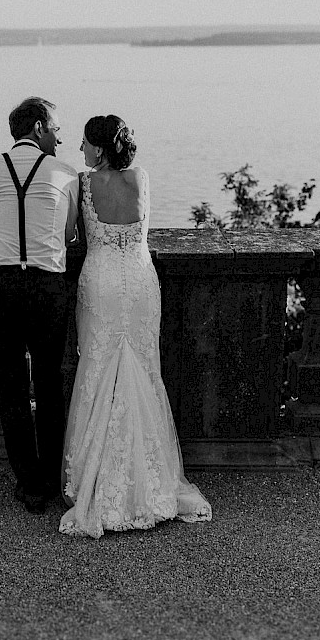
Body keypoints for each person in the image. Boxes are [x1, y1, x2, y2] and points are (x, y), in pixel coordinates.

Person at [59, 115, 212, 538]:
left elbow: (73, 236)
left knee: (97, 369)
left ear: (101, 148)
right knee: (144, 369)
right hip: (142, 281)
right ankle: (152, 479)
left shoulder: (82, 184)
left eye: (86, 142)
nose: (81, 149)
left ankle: (97, 479)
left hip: (102, 282)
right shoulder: (141, 178)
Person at [0, 97, 80, 514]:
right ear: (37, 128)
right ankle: (50, 477)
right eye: (55, 129)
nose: (60, 137)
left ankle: (28, 482)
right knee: (50, 383)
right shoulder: (66, 174)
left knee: (10, 386)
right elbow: (69, 235)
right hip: (47, 287)